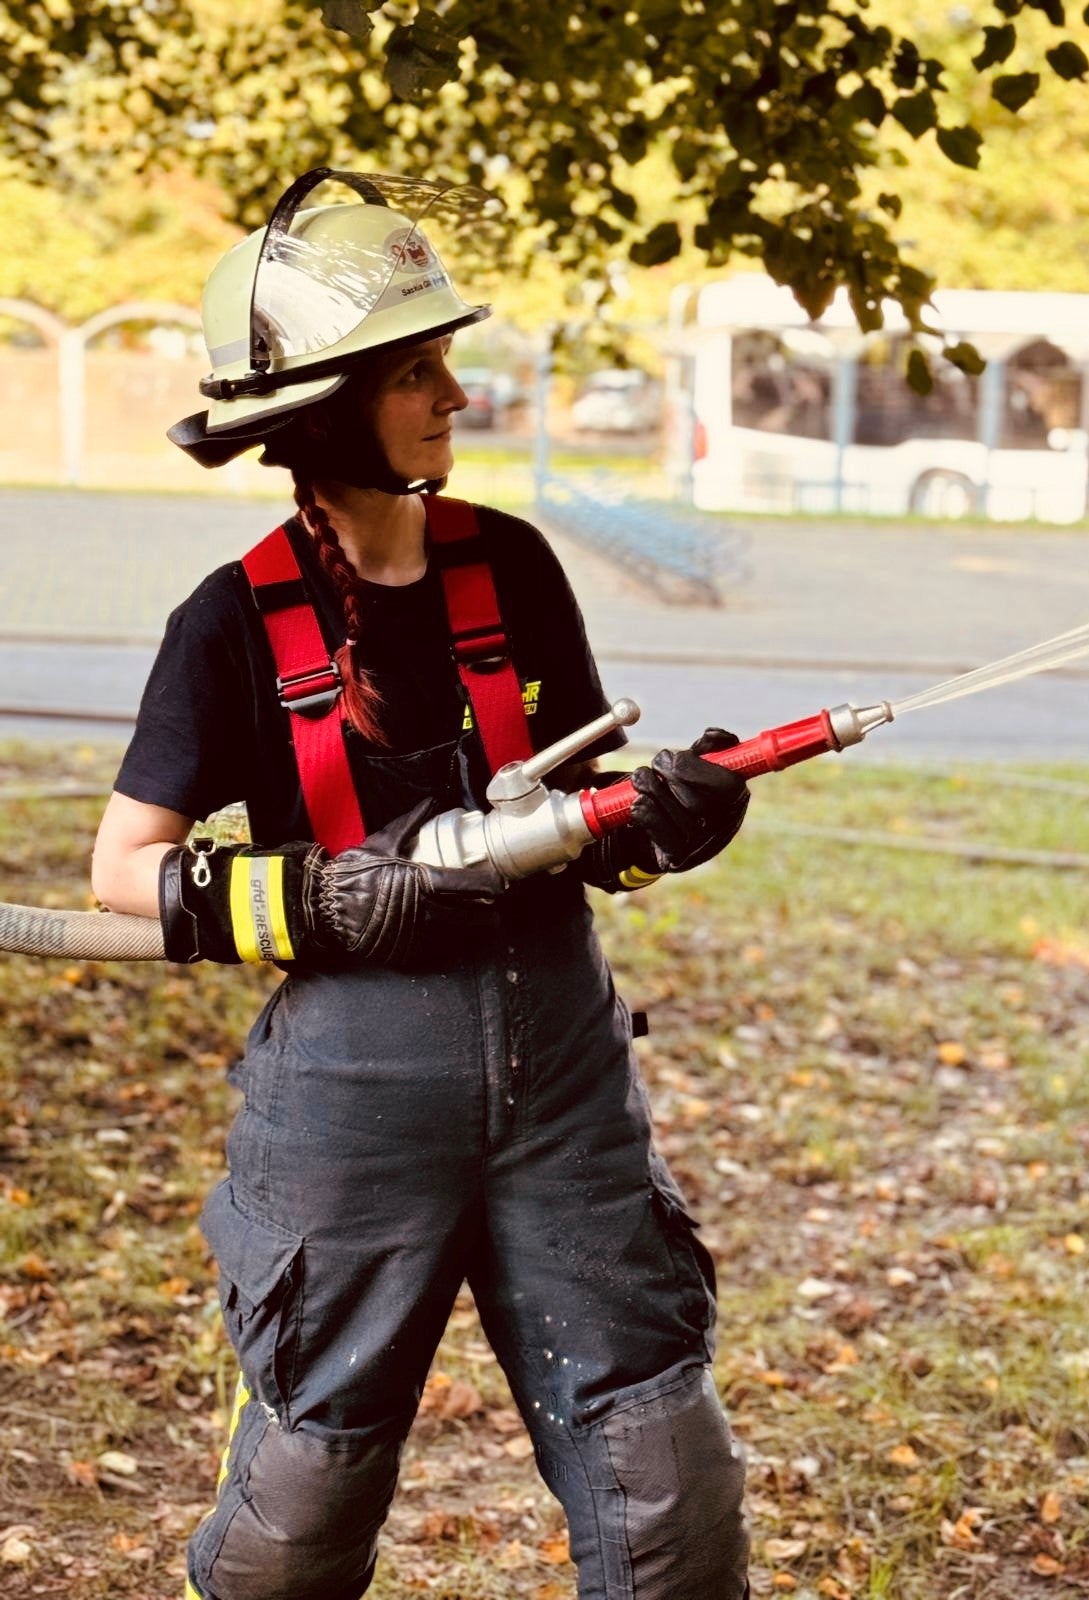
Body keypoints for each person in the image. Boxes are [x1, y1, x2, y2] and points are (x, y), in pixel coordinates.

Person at [90, 169, 752, 1600]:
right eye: (416, 370)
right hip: (351, 1100)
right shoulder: (231, 622)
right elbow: (120, 874)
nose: (457, 392)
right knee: (309, 1495)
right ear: (324, 405)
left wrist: (668, 814)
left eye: (447, 359)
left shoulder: (509, 570)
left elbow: (586, 819)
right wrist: (317, 900)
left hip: (566, 1081)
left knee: (664, 1472)